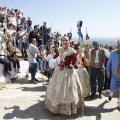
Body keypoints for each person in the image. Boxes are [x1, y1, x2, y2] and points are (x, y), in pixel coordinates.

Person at [45, 36, 82, 115]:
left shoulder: (72, 51)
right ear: (61, 41)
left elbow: (74, 62)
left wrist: (78, 61)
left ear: (69, 41)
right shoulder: (60, 49)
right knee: (57, 88)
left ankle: (67, 109)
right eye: (63, 40)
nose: (65, 42)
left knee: (68, 90)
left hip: (68, 72)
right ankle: (55, 108)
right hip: (59, 70)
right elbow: (55, 56)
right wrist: (52, 51)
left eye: (66, 40)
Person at [107, 43, 120, 111]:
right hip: (114, 75)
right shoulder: (113, 53)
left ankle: (119, 105)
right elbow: (109, 64)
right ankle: (111, 94)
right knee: (112, 88)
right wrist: (108, 73)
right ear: (118, 46)